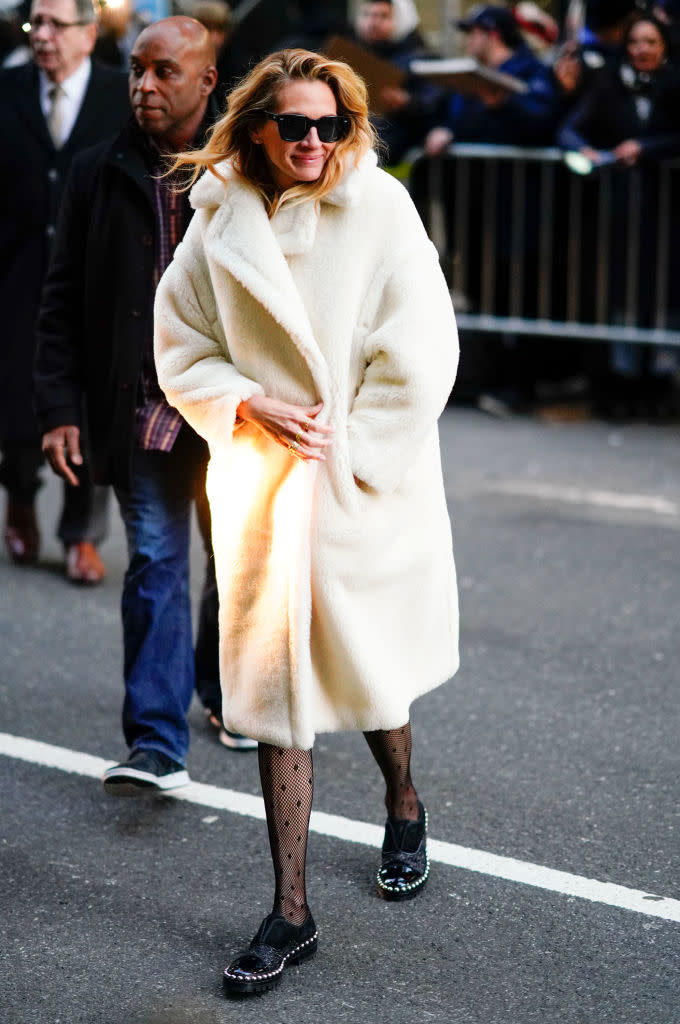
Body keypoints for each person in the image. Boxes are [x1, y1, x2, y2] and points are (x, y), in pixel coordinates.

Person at [154, 48, 460, 996]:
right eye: (295, 125)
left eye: (330, 125)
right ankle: (291, 913)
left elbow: (421, 348)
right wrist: (244, 402)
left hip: (358, 483)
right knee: (281, 690)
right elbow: (179, 342)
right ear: (257, 128)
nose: (315, 142)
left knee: (363, 670)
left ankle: (402, 801)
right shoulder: (215, 222)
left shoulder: (380, 207)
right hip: (264, 492)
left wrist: (356, 454)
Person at [34, 16, 254, 799]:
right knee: (156, 564)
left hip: (234, 413)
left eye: (165, 72)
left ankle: (227, 699)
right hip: (143, 409)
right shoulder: (100, 170)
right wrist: (59, 406)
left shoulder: (246, 169)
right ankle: (157, 742)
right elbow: (60, 302)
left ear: (206, 80)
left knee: (233, 564)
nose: (144, 86)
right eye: (136, 69)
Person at [0, 0, 129, 580]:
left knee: (89, 404)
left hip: (91, 274)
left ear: (89, 33)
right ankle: (20, 501)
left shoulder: (119, 94)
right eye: (36, 24)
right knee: (17, 399)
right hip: (16, 269)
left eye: (57, 24)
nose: (43, 35)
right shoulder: (7, 88)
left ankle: (82, 533)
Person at [558, 11, 680, 417]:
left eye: (650, 42)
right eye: (635, 43)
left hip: (667, 210)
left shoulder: (675, 82)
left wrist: (647, 148)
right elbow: (570, 129)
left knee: (658, 295)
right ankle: (616, 385)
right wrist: (584, 150)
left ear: (664, 46)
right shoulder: (609, 82)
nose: (642, 50)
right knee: (618, 291)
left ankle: (655, 385)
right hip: (619, 210)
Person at [424, 3, 559, 154]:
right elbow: (457, 117)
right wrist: (446, 130)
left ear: (494, 35)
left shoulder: (532, 71)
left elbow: (544, 123)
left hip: (512, 171)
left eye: (474, 33)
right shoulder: (471, 74)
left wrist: (505, 104)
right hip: (471, 170)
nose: (468, 40)